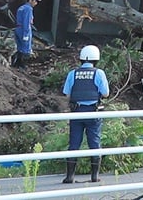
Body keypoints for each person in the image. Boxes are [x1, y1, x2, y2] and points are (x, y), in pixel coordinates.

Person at [61, 45, 110, 184]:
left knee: (74, 144)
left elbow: (67, 93)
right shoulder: (99, 73)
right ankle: (94, 176)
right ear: (97, 59)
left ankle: (70, 176)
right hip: (93, 113)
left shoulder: (73, 73)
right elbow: (106, 93)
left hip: (76, 113)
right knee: (94, 143)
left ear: (81, 58)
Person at [11, 0, 40, 70]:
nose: (36, 3)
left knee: (19, 48)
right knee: (26, 49)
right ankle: (22, 66)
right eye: (35, 1)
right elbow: (26, 22)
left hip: (18, 28)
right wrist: (26, 33)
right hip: (24, 29)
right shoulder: (28, 9)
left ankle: (16, 65)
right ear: (30, 0)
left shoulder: (21, 7)